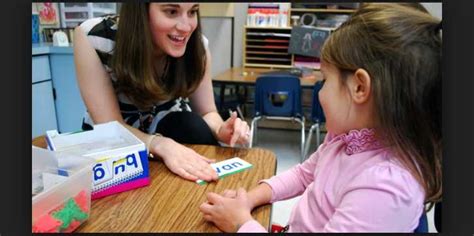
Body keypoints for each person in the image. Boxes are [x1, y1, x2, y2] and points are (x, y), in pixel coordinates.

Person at [199, 3, 442, 232]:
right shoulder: (345, 138)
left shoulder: (386, 188)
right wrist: (249, 199)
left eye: (325, 80)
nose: (321, 93)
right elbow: (304, 174)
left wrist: (241, 223)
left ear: (360, 88)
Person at [73, 3, 250, 183]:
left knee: (191, 126)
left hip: (173, 136)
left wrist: (221, 129)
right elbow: (111, 126)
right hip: (116, 150)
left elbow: (206, 111)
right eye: (171, 12)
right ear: (141, 11)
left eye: (192, 12)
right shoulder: (94, 38)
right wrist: (159, 144)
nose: (186, 27)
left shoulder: (198, 46)